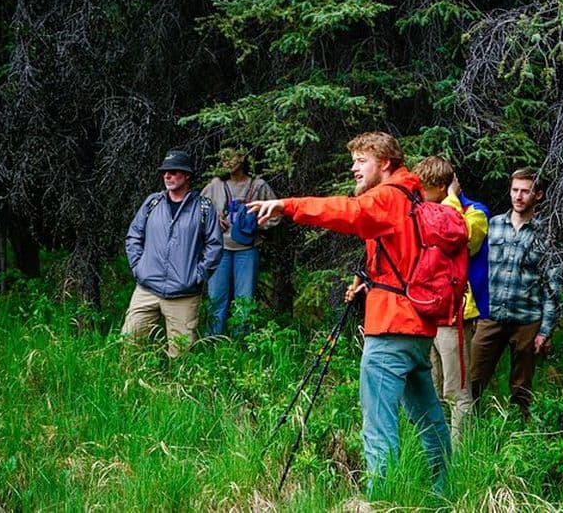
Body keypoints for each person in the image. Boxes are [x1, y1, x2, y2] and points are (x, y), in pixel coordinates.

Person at [248, 132, 451, 495]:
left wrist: (288, 206)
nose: (353, 168)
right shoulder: (413, 195)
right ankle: (444, 489)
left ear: (384, 163)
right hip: (417, 327)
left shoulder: (389, 196)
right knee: (428, 417)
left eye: (361, 160)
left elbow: (348, 212)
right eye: (354, 160)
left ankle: (381, 497)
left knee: (378, 423)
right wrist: (369, 280)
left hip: (390, 328)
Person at [469, 167, 561, 418]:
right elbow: (476, 271)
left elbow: (552, 285)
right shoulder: (493, 225)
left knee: (522, 386)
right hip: (491, 315)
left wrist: (545, 330)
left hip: (527, 319)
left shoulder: (546, 233)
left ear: (538, 195)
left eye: (525, 191)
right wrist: (474, 309)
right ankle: (469, 429)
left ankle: (521, 431)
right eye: (514, 190)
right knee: (474, 378)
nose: (518, 196)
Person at [411, 156, 489, 443]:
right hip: (426, 311)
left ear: (443, 187)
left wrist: (452, 200)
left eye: (427, 189)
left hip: (456, 312)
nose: (421, 194)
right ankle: (434, 448)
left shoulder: (474, 213)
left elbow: (459, 238)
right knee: (432, 387)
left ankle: (459, 457)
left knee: (457, 390)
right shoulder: (423, 210)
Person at [122, 149, 223, 358]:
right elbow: (133, 236)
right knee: (130, 345)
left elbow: (214, 246)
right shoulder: (153, 203)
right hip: (146, 288)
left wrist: (197, 276)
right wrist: (138, 268)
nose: (167, 176)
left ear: (187, 175)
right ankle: (130, 388)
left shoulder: (203, 208)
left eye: (174, 171)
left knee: (182, 355)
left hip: (183, 293)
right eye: (165, 172)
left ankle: (176, 390)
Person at [201, 148, 279, 337]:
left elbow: (276, 213)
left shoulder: (258, 186)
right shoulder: (215, 186)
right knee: (216, 298)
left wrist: (256, 225)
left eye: (231, 155)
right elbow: (198, 210)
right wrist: (212, 220)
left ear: (242, 157)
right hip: (220, 249)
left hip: (247, 249)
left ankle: (242, 344)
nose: (226, 161)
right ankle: (211, 341)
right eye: (222, 157)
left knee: (245, 300)